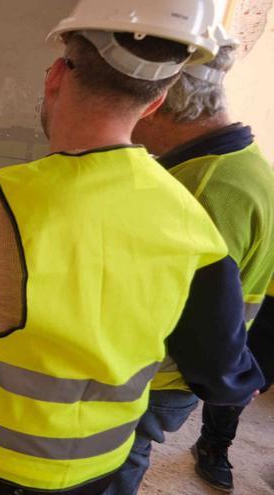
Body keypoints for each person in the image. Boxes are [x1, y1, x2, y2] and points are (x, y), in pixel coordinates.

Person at [0, 1, 265, 493]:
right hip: (97, 469)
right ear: (156, 100)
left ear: (55, 77)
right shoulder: (195, 225)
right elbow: (216, 361)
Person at [108, 26, 274, 494]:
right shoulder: (240, 164)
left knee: (113, 467)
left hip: (151, 381)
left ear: (158, 101)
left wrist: (233, 379)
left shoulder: (199, 190)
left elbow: (203, 319)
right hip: (169, 379)